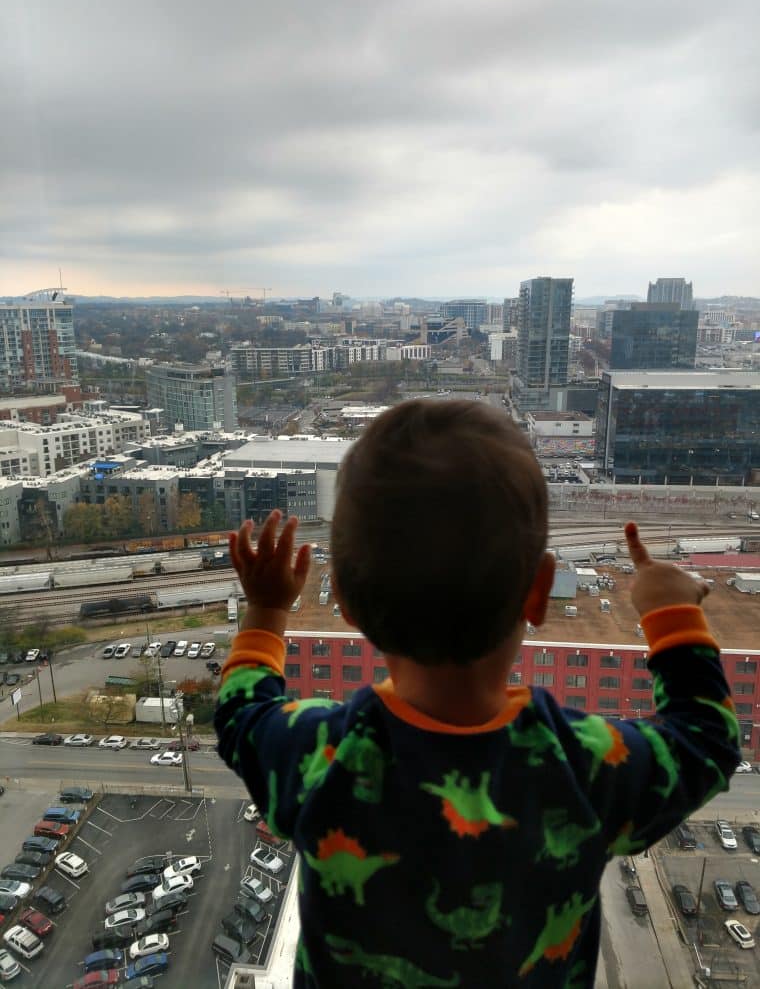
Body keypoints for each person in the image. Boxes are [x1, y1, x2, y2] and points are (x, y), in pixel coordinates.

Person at [215, 399, 740, 988]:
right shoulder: (587, 763)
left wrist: (265, 610)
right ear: (540, 594)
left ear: (347, 602)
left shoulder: (318, 756)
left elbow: (241, 713)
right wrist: (669, 612)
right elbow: (708, 741)